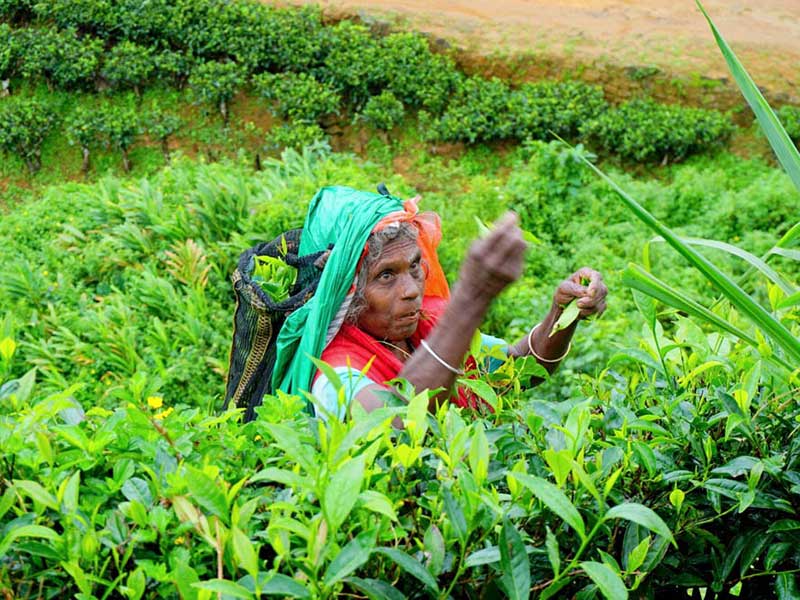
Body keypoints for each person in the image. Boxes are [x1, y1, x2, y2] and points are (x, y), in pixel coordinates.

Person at [270, 186, 607, 419]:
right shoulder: (336, 371)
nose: (410, 290)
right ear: (347, 290)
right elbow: (398, 426)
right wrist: (470, 301)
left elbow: (518, 371)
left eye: (414, 266)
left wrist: (562, 314)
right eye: (386, 275)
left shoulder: (428, 324)